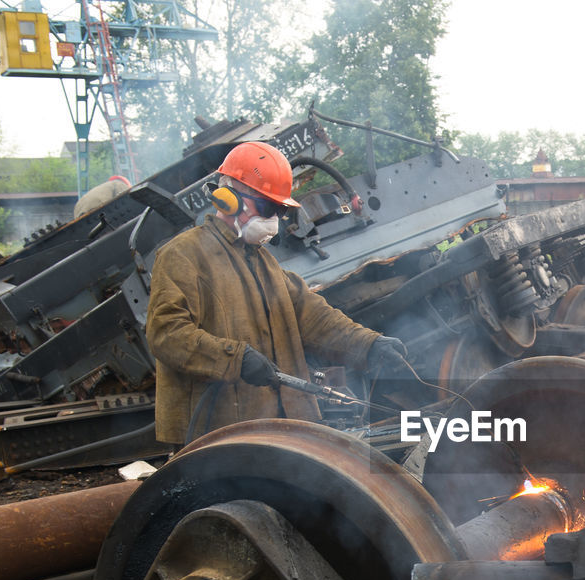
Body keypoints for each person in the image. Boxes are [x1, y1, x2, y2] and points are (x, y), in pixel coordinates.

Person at [145, 140, 411, 446]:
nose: (275, 219)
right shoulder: (183, 255)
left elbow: (316, 320)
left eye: (279, 210)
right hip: (219, 436)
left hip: (283, 428)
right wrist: (233, 358)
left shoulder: (265, 263)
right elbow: (166, 334)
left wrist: (370, 345)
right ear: (228, 198)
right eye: (268, 207)